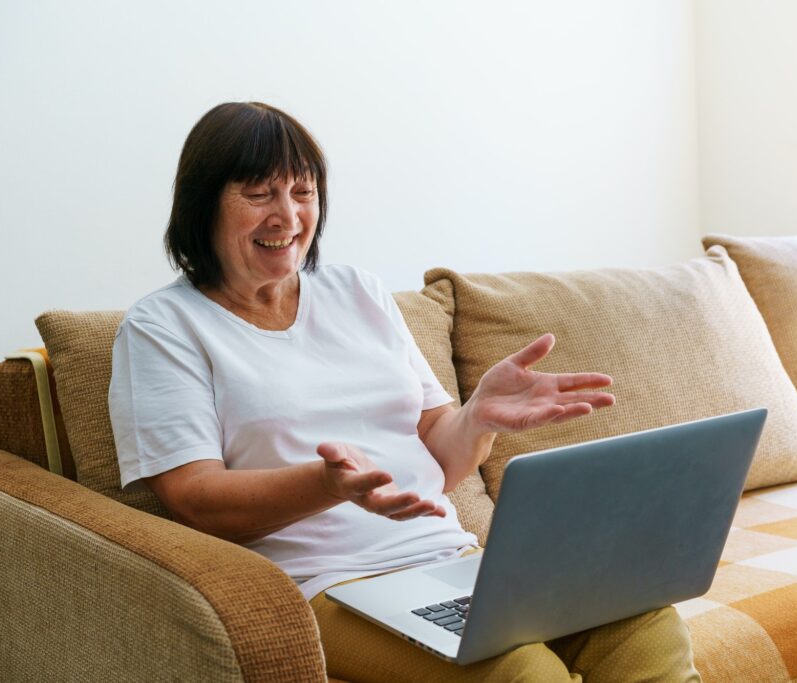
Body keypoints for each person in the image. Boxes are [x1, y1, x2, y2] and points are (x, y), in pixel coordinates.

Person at [108, 101, 701, 682]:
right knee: (519, 670)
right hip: (326, 585)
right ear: (202, 202)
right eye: (259, 194)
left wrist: (476, 419)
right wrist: (327, 485)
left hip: (451, 560)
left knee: (642, 623)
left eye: (303, 192)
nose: (287, 217)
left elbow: (439, 464)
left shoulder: (357, 293)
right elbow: (195, 501)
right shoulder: (163, 328)